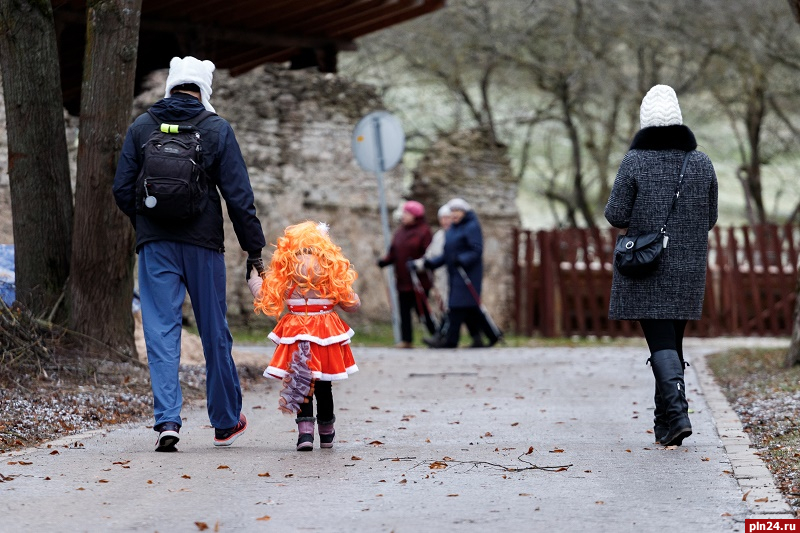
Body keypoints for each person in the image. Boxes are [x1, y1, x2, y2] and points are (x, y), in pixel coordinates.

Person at [113, 56, 265, 452]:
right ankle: (226, 421)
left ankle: (167, 421)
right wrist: (254, 252)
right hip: (203, 246)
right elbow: (239, 198)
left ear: (172, 85)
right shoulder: (216, 129)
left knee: (161, 333)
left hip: (156, 247)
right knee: (214, 332)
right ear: (203, 89)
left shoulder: (141, 127)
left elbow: (121, 189)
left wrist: (147, 224)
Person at [605, 84, 718, 447]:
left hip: (647, 262)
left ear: (645, 123)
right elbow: (710, 217)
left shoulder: (635, 161)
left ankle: (679, 413)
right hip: (687, 264)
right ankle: (667, 425)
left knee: (660, 343)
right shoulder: (701, 162)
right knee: (670, 343)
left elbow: (616, 214)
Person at [249, 221, 360, 451]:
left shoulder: (287, 278)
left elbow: (264, 294)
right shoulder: (330, 279)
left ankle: (305, 434)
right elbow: (352, 304)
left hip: (297, 333)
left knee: (302, 383)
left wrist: (254, 279)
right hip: (325, 334)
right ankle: (327, 433)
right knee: (323, 386)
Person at [424, 198, 501, 349]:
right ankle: (491, 335)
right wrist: (432, 263)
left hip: (467, 273)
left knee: (456, 306)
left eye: (457, 211)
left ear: (465, 212)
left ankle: (451, 340)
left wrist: (462, 259)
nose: (454, 215)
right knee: (470, 307)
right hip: (454, 273)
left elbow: (476, 250)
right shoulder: (453, 229)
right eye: (452, 211)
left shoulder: (472, 227)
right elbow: (447, 253)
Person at [377, 200, 436, 348]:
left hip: (418, 279)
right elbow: (394, 252)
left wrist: (418, 263)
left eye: (406, 213)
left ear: (415, 215)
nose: (403, 216)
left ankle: (436, 336)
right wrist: (385, 261)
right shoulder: (400, 232)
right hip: (402, 279)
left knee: (422, 310)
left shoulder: (424, 231)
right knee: (403, 311)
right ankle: (406, 339)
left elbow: (429, 252)